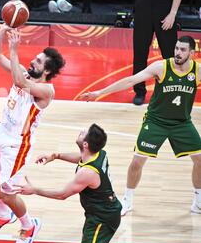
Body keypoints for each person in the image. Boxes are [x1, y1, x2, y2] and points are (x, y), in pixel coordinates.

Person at [80, 36, 201, 215]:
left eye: (182, 50)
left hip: (182, 123)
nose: (177, 53)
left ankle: (198, 200)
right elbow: (131, 81)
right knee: (137, 161)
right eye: (176, 48)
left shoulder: (197, 71)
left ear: (192, 53)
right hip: (156, 122)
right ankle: (127, 200)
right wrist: (100, 92)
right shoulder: (161, 67)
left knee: (199, 159)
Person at [0, 25, 65, 243]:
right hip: (0, 132)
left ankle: (29, 225)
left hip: (17, 144)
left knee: (9, 193)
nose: (33, 63)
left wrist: (14, 48)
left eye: (38, 62)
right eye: (36, 59)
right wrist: (3, 28)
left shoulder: (47, 90)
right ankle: (2, 215)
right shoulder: (23, 72)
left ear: (46, 71)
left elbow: (20, 83)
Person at [16, 124, 122, 243]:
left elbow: (62, 195)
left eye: (84, 132)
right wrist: (56, 156)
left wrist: (34, 190)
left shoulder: (88, 172)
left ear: (85, 144)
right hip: (102, 212)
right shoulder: (98, 153)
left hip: (102, 218)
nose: (81, 130)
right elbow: (80, 157)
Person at [116, 0, 185, 105]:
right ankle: (139, 92)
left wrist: (172, 14)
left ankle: (170, 92)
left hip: (165, 7)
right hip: (144, 6)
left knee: (169, 55)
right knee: (140, 53)